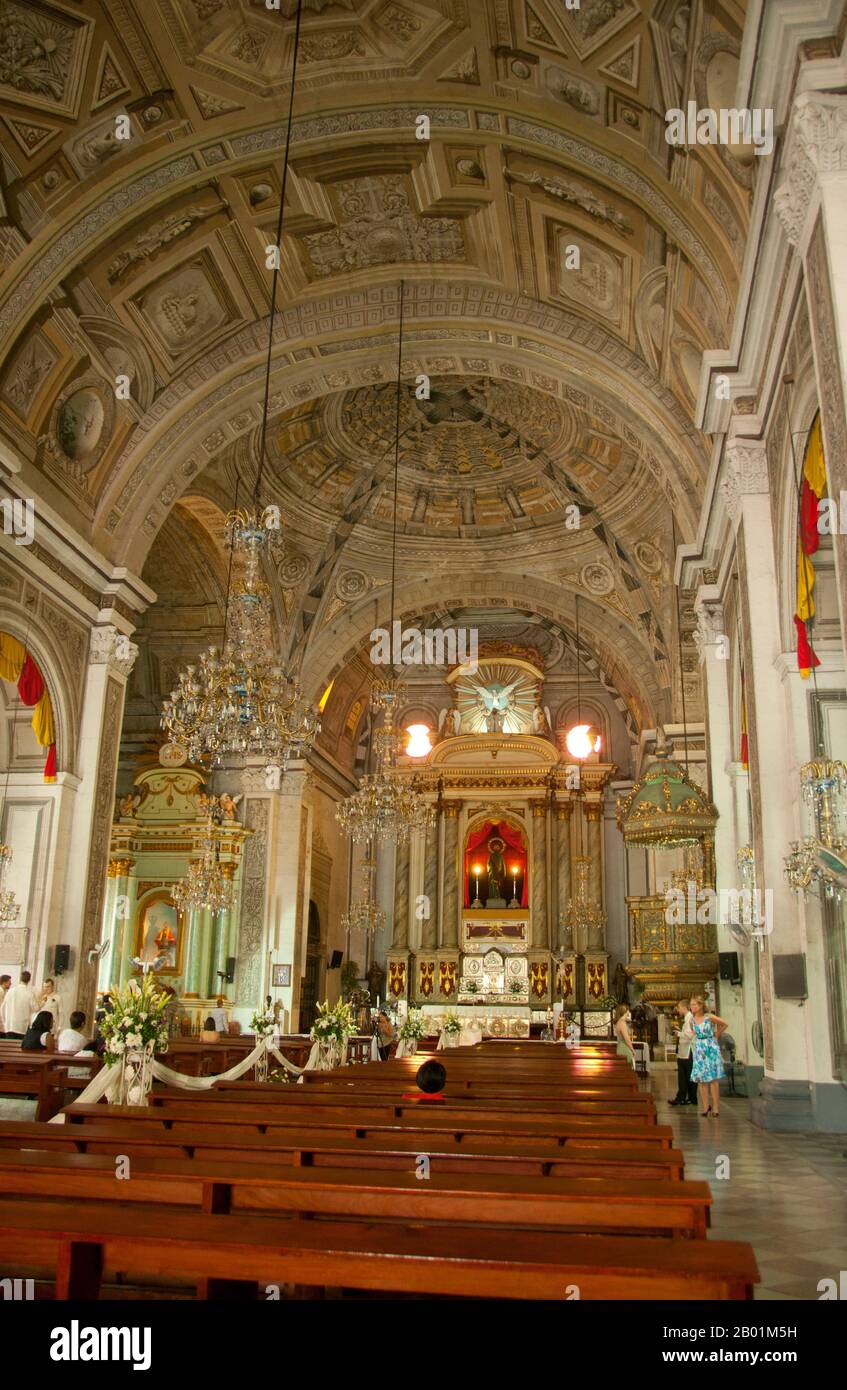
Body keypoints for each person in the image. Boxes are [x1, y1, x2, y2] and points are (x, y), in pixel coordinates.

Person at [690, 994, 727, 1117]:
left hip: (710, 1047)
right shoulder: (692, 1020)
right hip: (700, 1048)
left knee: (712, 1079)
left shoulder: (708, 1017)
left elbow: (724, 1024)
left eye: (694, 1004)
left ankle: (716, 1107)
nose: (692, 1007)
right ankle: (706, 1107)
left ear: (700, 1006)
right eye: (691, 1005)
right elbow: (694, 1033)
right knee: (701, 1080)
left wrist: (716, 1034)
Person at [669, 998, 698, 1107]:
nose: (678, 1010)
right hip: (684, 1051)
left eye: (679, 1007)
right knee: (683, 1076)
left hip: (688, 1052)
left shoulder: (690, 1019)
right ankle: (682, 1097)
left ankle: (690, 1098)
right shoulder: (687, 1018)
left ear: (685, 1007)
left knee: (688, 1076)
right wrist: (680, 1032)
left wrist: (678, 1034)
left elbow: (690, 1035)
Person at [4, 970, 36, 1040]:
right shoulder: (29, 993)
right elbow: (35, 1008)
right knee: (19, 1048)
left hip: (10, 1025)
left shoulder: (10, 991)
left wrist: (4, 1021)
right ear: (29, 980)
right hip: (22, 1027)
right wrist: (42, 1002)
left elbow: (2, 1008)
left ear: (20, 978)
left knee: (8, 1048)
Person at [613, 1002, 635, 1069]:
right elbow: (627, 1039)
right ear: (625, 1011)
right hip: (625, 1048)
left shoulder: (619, 1022)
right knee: (628, 1071)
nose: (629, 1011)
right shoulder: (622, 1023)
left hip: (620, 1047)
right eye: (628, 1010)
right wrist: (633, 1050)